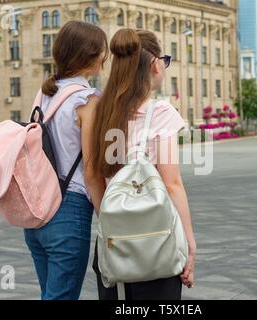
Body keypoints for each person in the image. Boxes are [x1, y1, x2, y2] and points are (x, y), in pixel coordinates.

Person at [79, 28, 197, 300]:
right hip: (155, 244)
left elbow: (93, 176)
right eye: (164, 60)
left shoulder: (98, 110)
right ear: (155, 64)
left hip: (112, 246)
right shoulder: (161, 112)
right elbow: (172, 184)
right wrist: (189, 243)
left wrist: (113, 221)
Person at [23, 21, 108, 300]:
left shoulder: (43, 95)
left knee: (51, 295)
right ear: (92, 56)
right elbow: (93, 170)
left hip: (36, 213)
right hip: (68, 212)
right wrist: (108, 220)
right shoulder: (87, 100)